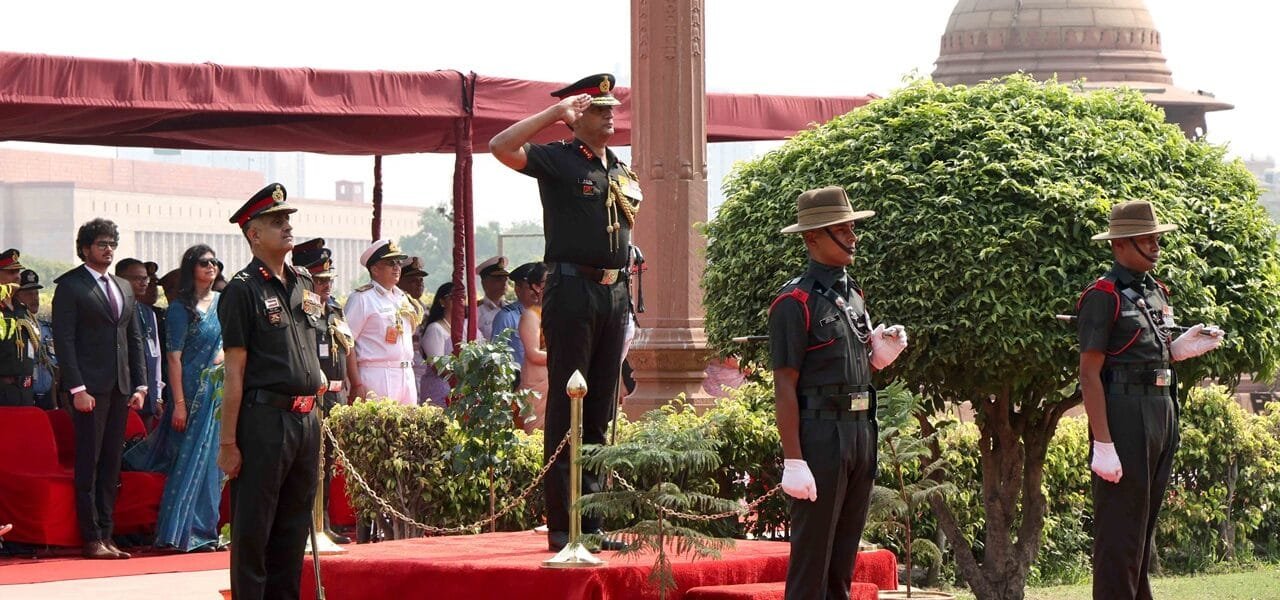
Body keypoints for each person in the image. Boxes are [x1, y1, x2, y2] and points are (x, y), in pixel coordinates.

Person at [490, 72, 641, 552]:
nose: (610, 113)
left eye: (612, 106)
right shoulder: (558, 157)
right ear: (579, 117)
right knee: (569, 403)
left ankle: (591, 522)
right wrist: (554, 113)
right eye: (599, 108)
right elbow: (500, 145)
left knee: (598, 407)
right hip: (572, 290)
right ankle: (563, 525)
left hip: (614, 294)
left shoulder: (619, 167)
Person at [1077, 200, 1224, 600]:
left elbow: (1146, 352)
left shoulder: (1156, 292)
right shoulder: (1102, 294)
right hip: (1123, 416)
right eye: (1148, 239)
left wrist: (1179, 349)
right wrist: (1103, 443)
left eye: (1158, 238)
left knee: (1142, 528)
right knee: (1120, 533)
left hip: (1161, 409)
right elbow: (1090, 373)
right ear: (1121, 244)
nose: (1156, 246)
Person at [768, 186, 908, 600]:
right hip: (821, 437)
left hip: (861, 431)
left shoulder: (853, 294)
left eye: (851, 227)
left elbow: (851, 365)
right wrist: (794, 459)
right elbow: (785, 385)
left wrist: (876, 357)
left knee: (843, 560)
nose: (852, 237)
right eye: (841, 229)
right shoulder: (794, 301)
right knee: (813, 562)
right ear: (812, 237)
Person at [217, 183, 325, 599]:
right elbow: (235, 372)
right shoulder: (242, 290)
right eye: (275, 221)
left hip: (306, 418)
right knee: (254, 531)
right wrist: (229, 441)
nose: (286, 227)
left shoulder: (303, 281)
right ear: (253, 234)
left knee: (293, 529)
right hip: (265, 420)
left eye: (287, 220)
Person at [52, 219, 148, 560]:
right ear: (85, 248)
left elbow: (133, 338)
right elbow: (63, 341)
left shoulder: (123, 286)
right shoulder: (71, 286)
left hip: (121, 387)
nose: (108, 250)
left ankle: (108, 535)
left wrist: (141, 384)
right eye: (102, 244)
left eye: (112, 244)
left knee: (111, 464)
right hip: (88, 389)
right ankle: (91, 537)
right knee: (89, 464)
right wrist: (77, 387)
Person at [151, 245, 226, 552]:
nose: (211, 267)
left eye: (215, 262)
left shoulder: (224, 302)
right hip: (191, 395)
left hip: (219, 393)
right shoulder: (181, 309)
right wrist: (179, 404)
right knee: (187, 462)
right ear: (191, 268)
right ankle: (177, 534)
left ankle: (205, 531)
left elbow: (231, 342)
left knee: (214, 464)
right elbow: (173, 358)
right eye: (204, 263)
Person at [292, 238, 354, 545]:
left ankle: (323, 523)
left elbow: (346, 351)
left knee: (328, 463)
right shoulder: (302, 311)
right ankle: (306, 526)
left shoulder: (335, 309)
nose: (325, 285)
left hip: (337, 395)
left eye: (329, 280)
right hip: (312, 396)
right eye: (319, 280)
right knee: (309, 463)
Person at [344, 239, 418, 406]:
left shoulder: (402, 298)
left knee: (409, 429)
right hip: (376, 374)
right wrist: (356, 383)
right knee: (380, 429)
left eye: (398, 263)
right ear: (375, 269)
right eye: (390, 263)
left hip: (406, 373)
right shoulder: (362, 299)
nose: (397, 267)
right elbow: (346, 343)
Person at [117, 258, 165, 425]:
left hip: (148, 391)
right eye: (138, 278)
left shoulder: (148, 312)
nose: (144, 283)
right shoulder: (116, 309)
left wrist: (158, 395)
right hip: (125, 390)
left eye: (146, 279)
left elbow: (156, 355)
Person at [13, 270, 57, 410]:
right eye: (28, 294)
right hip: (23, 395)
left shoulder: (46, 328)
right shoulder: (14, 327)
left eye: (36, 293)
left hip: (48, 397)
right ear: (16, 296)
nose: (35, 298)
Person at [513, 263, 549, 433]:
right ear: (536, 286)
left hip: (557, 377)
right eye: (548, 281)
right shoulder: (531, 315)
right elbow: (533, 354)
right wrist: (565, 356)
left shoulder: (557, 313)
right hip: (537, 382)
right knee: (536, 435)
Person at [0, 264, 38, 408]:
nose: (17, 276)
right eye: (11, 272)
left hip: (25, 391)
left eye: (18, 272)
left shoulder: (22, 310)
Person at [418, 282, 459, 407]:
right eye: (453, 296)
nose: (459, 301)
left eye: (462, 297)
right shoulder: (435, 329)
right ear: (442, 301)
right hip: (439, 391)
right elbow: (439, 368)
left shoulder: (464, 327)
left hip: (458, 391)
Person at [397, 257, 429, 398]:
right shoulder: (397, 306)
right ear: (400, 281)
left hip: (423, 369)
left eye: (421, 280)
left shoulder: (423, 308)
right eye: (413, 280)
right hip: (404, 368)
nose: (419, 284)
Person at [475, 256, 509, 340]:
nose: (504, 283)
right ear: (484, 283)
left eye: (506, 279)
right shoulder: (475, 311)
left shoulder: (511, 309)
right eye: (499, 279)